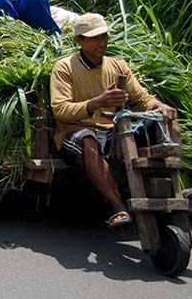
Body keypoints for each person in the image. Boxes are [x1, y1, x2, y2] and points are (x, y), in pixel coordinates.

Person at [50, 13, 182, 228]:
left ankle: (177, 189)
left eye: (104, 36)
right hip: (76, 131)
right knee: (88, 140)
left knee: (168, 119)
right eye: (94, 38)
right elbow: (61, 110)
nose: (101, 42)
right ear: (79, 41)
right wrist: (96, 103)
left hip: (114, 131)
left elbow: (141, 98)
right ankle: (119, 208)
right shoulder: (65, 68)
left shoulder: (118, 66)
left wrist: (160, 106)